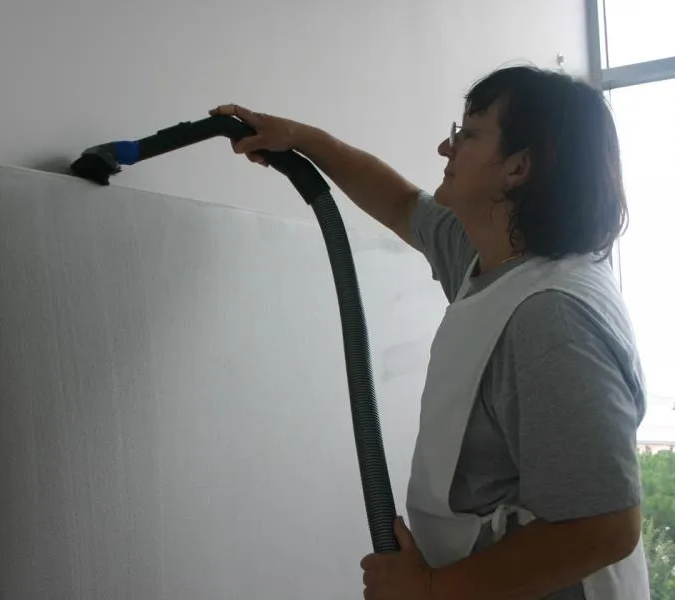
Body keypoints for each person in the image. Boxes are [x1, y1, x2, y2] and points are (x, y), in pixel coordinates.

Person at [211, 65, 650, 599]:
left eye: (467, 134)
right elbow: (398, 201)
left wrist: (432, 590)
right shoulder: (489, 256)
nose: (447, 147)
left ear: (519, 167)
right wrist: (300, 141)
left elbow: (606, 527)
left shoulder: (551, 319)